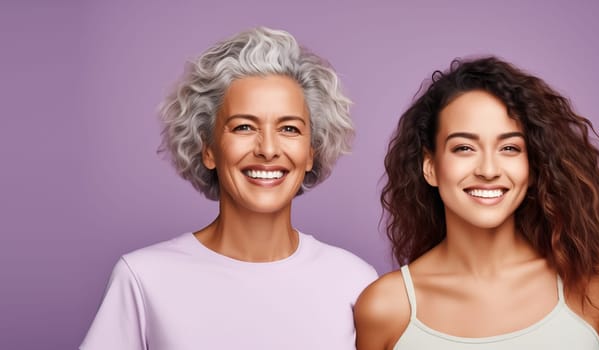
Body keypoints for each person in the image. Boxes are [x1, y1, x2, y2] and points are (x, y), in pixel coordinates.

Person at [80, 27, 377, 350]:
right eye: (244, 127)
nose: (267, 149)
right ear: (208, 148)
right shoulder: (143, 278)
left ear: (310, 153)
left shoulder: (354, 281)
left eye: (289, 128)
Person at [354, 57, 599, 349]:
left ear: (533, 166)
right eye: (464, 148)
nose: (489, 170)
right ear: (430, 167)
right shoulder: (386, 308)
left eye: (509, 148)